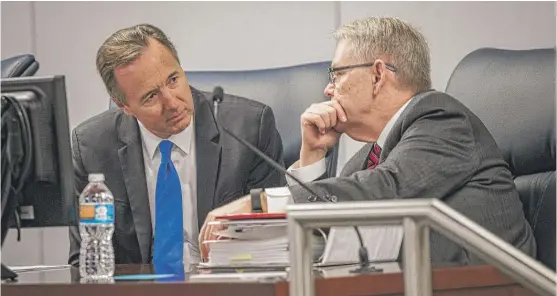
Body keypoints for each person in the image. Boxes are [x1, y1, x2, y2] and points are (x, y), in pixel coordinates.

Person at [199, 17, 536, 266]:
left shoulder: (443, 119)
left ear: (377, 74)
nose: (328, 89)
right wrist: (313, 155)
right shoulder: (365, 159)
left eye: (337, 74)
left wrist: (259, 203)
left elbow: (385, 192)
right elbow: (322, 232)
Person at [68, 24, 286, 270]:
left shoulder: (248, 129)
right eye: (151, 96)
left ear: (182, 69)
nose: (172, 103)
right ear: (124, 106)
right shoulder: (91, 148)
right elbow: (85, 261)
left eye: (173, 80)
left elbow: (275, 241)